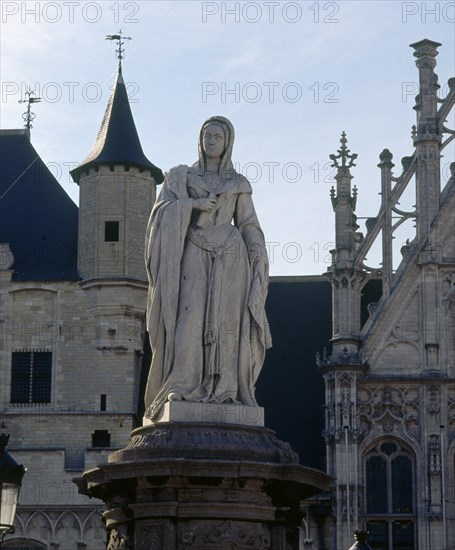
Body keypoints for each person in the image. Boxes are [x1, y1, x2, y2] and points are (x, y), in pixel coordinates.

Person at [144, 116, 272, 420]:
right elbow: (158, 217)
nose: (211, 141)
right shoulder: (180, 178)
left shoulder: (237, 183)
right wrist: (191, 207)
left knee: (228, 325)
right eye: (207, 135)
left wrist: (257, 248)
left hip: (231, 257)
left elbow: (248, 223)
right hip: (193, 252)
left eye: (217, 136)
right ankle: (182, 384)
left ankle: (227, 389)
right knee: (188, 318)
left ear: (227, 142)